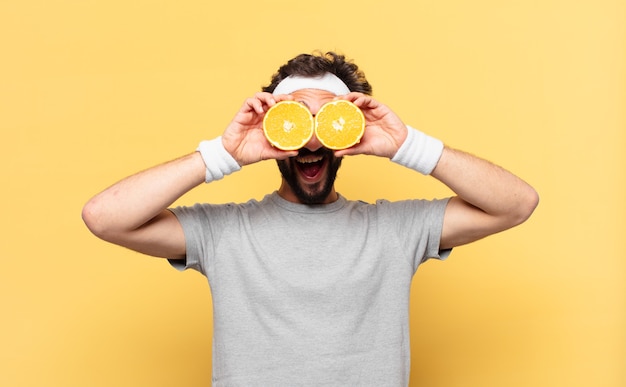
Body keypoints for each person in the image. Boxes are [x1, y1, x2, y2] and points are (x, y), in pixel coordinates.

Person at [82, 51, 539, 386]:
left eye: (327, 121)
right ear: (274, 126)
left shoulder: (395, 229)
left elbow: (516, 204)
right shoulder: (225, 232)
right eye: (298, 121)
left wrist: (407, 145)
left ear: (348, 128)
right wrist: (224, 154)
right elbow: (104, 217)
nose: (312, 142)